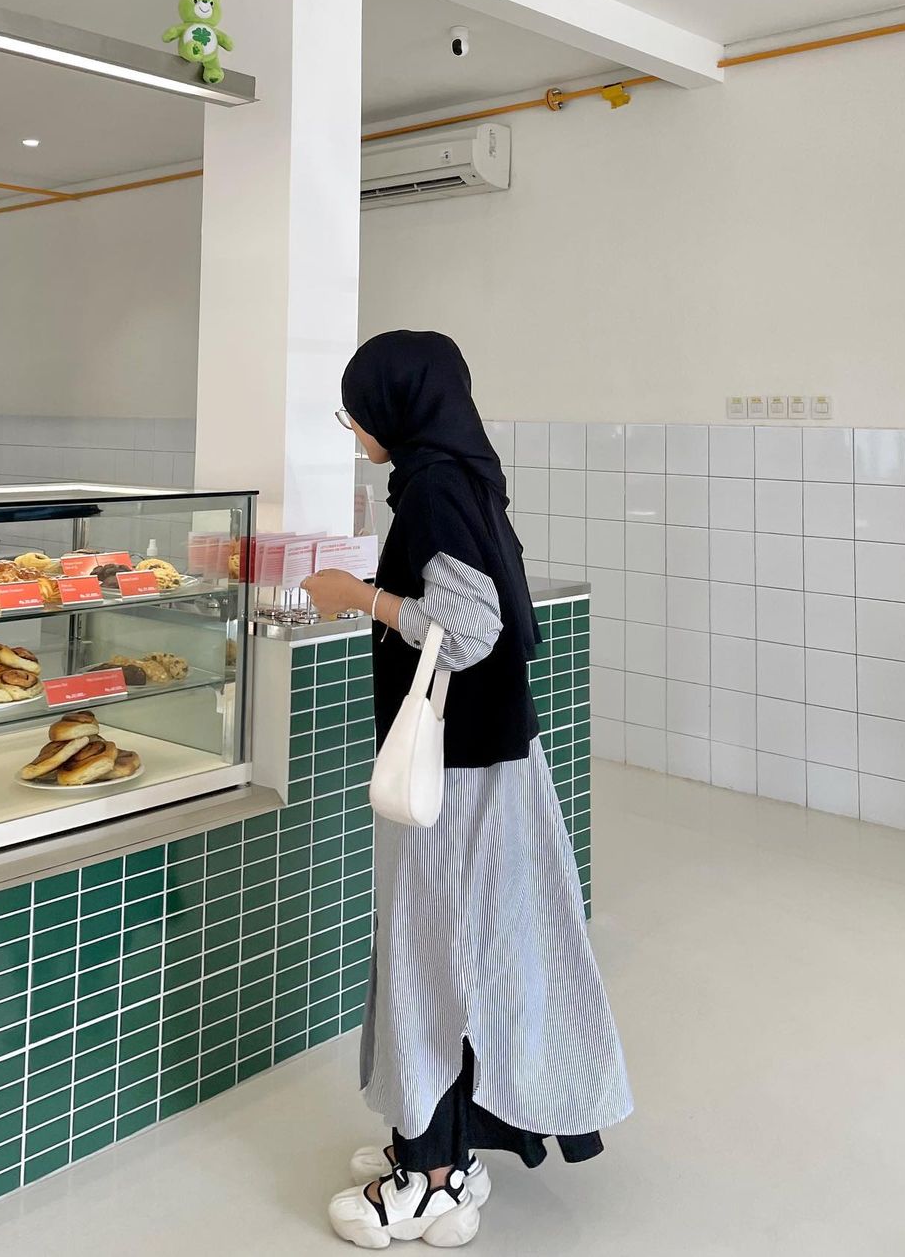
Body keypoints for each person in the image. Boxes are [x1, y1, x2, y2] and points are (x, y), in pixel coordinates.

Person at [301, 331, 632, 1250]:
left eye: (356, 413)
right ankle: (449, 1143)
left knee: (433, 959)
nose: (355, 430)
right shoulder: (462, 476)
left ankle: (431, 1177)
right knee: (461, 953)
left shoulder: (435, 489)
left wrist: (356, 596)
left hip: (461, 775)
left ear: (398, 407)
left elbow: (470, 626)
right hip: (488, 759)